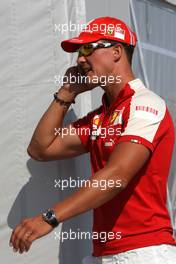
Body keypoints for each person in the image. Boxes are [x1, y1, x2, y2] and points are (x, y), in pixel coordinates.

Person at [9, 17, 176, 263]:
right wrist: (67, 92)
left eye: (88, 48)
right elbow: (40, 148)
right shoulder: (100, 117)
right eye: (79, 51)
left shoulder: (145, 104)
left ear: (117, 51)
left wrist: (49, 218)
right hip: (104, 253)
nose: (79, 59)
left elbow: (117, 176)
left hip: (144, 251)